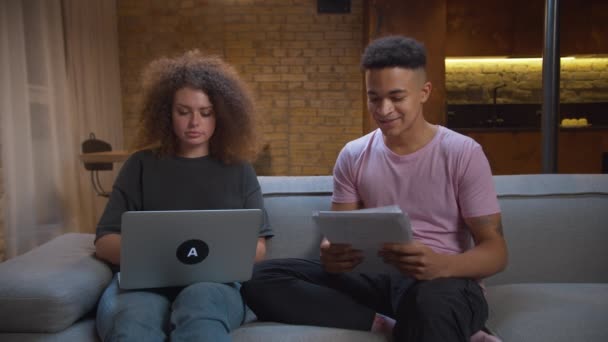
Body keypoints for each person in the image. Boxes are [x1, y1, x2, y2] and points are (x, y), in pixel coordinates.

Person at [241, 36, 507, 342]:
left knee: (429, 305)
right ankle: (385, 324)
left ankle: (438, 324)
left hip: (441, 280)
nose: (384, 109)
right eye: (374, 97)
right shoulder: (354, 154)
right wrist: (331, 251)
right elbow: (337, 230)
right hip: (376, 279)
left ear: (424, 92)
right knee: (260, 279)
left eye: (396, 97)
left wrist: (443, 265)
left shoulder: (462, 153)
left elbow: (496, 251)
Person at [94, 50, 273, 342]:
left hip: (215, 288)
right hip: (142, 288)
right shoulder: (140, 165)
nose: (194, 123)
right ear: (166, 113)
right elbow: (105, 241)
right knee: (136, 319)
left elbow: (258, 248)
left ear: (222, 115)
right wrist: (162, 257)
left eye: (206, 113)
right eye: (183, 111)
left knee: (200, 305)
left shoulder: (239, 171)